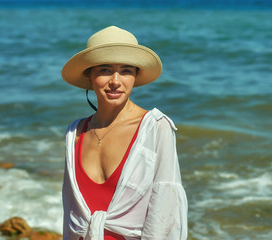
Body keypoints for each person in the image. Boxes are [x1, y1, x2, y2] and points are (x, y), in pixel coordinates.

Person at [61, 26, 188, 240]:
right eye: (105, 70)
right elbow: (70, 215)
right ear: (89, 76)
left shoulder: (156, 128)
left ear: (136, 76)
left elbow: (165, 213)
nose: (116, 81)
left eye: (126, 70)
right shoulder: (75, 133)